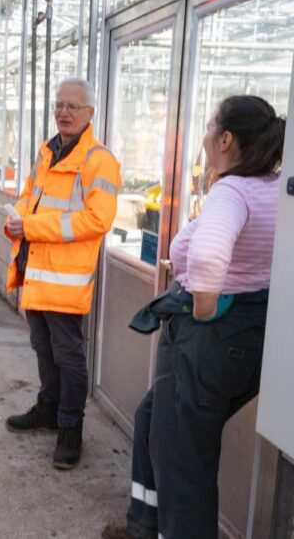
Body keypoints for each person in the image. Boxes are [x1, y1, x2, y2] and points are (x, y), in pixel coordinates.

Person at [102, 96, 286, 539]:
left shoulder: (233, 191)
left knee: (184, 463)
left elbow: (207, 257)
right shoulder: (274, 188)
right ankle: (144, 523)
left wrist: (202, 309)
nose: (202, 136)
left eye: (208, 127)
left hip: (210, 338)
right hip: (253, 335)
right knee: (154, 419)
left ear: (225, 139)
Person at [3, 77, 121, 470]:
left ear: (90, 114)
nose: (63, 112)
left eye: (73, 106)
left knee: (68, 355)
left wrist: (32, 227)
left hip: (65, 279)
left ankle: (71, 428)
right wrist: (16, 218)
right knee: (42, 346)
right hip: (36, 270)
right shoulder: (47, 152)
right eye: (59, 105)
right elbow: (30, 195)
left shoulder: (98, 159)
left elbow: (97, 219)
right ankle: (49, 409)